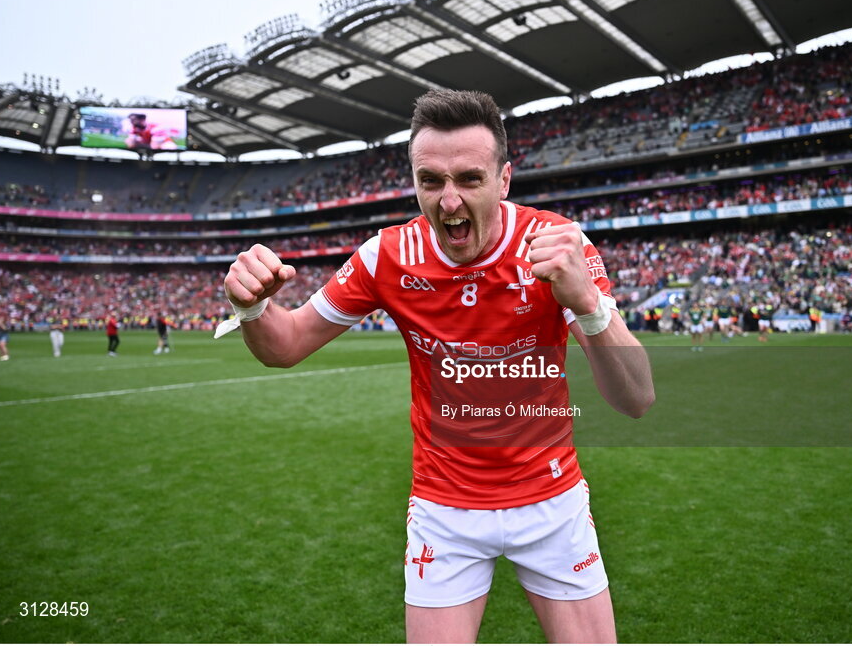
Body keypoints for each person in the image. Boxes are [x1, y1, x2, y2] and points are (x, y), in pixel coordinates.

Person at [218, 90, 654, 643]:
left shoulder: (555, 246)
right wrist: (253, 306)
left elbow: (636, 398)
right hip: (444, 510)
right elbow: (287, 344)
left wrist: (588, 303)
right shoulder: (387, 256)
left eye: (470, 179)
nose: (449, 202)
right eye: (431, 181)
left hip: (552, 501)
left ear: (504, 180)